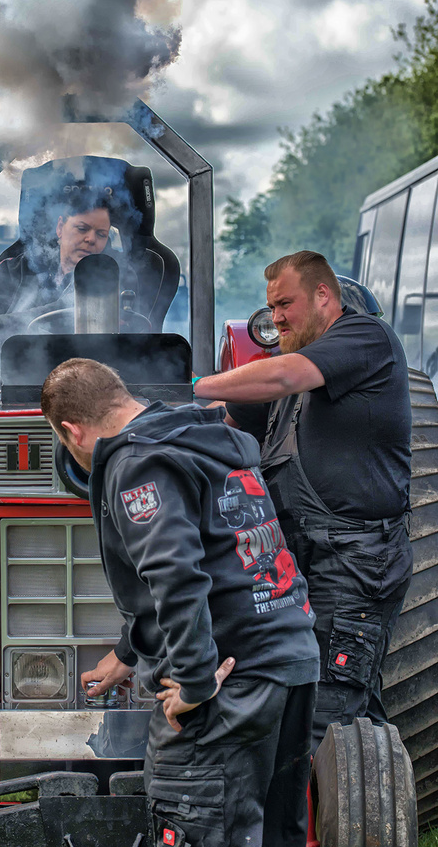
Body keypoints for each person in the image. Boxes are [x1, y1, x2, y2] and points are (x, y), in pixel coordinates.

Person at [41, 358, 319, 847]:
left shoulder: (137, 463)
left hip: (229, 680)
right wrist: (131, 651)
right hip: (288, 657)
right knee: (274, 833)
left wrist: (192, 682)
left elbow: (176, 575)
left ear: (71, 432)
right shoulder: (200, 440)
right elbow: (224, 552)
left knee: (193, 819)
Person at [193, 250, 413, 747]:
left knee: (327, 717)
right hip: (295, 563)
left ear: (323, 296)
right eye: (270, 307)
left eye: (285, 304)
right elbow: (222, 426)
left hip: (355, 563)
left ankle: (334, 818)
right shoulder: (282, 375)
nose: (275, 318)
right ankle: (357, 803)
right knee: (313, 699)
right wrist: (148, 419)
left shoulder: (363, 338)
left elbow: (284, 375)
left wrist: (190, 385)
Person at [0, 190, 135, 362]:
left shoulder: (115, 272)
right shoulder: (22, 266)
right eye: (82, 228)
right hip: (15, 382)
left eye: (101, 234)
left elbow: (69, 311)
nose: (91, 239)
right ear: (60, 227)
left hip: (90, 376)